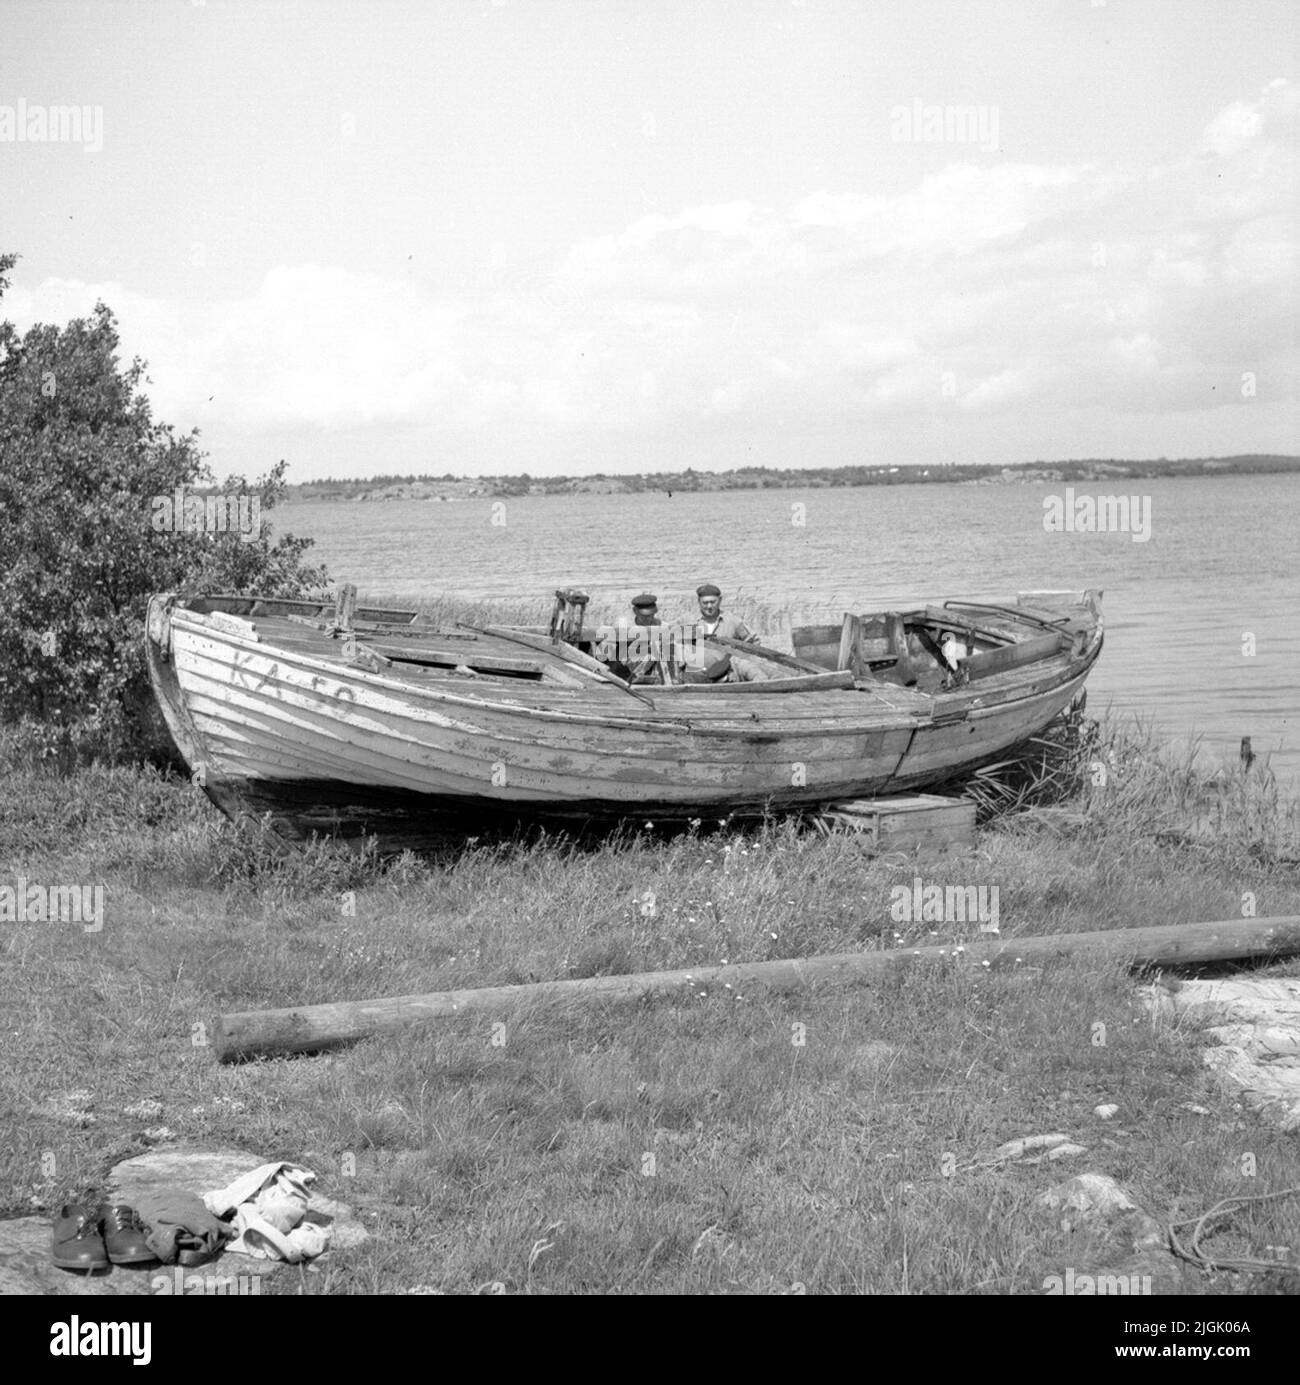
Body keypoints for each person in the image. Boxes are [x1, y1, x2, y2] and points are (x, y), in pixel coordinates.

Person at [692, 584, 760, 644]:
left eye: (712, 602)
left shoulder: (732, 621)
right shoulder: (690, 621)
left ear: (720, 600)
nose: (709, 606)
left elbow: (754, 642)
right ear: (699, 601)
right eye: (705, 603)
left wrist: (740, 657)